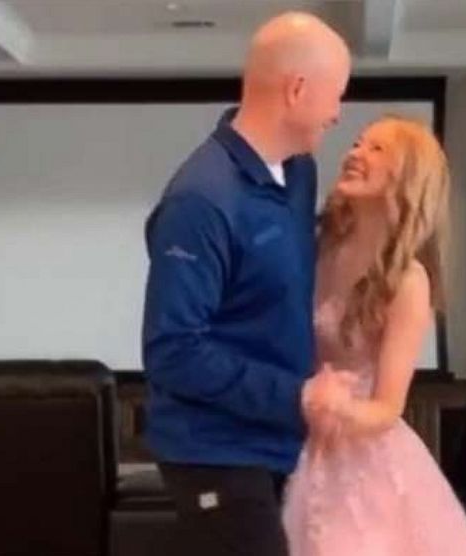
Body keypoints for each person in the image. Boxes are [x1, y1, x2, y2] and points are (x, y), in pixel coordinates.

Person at [141, 12, 352, 556]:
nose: (337, 113)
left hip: (279, 442)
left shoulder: (299, 173)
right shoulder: (200, 200)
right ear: (298, 89)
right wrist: (298, 395)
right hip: (215, 451)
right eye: (337, 95)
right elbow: (174, 350)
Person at [282, 115, 466, 555]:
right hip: (304, 444)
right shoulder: (320, 247)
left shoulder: (408, 280)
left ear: (408, 178)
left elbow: (387, 409)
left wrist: (337, 406)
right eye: (357, 143)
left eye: (377, 150)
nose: (355, 153)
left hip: (365, 461)